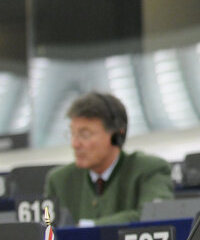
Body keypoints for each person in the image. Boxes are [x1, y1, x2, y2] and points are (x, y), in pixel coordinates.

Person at [45, 91, 173, 226]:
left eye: (85, 134)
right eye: (72, 134)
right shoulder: (59, 181)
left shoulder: (150, 170)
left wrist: (86, 227)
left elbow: (156, 216)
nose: (75, 144)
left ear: (117, 135)